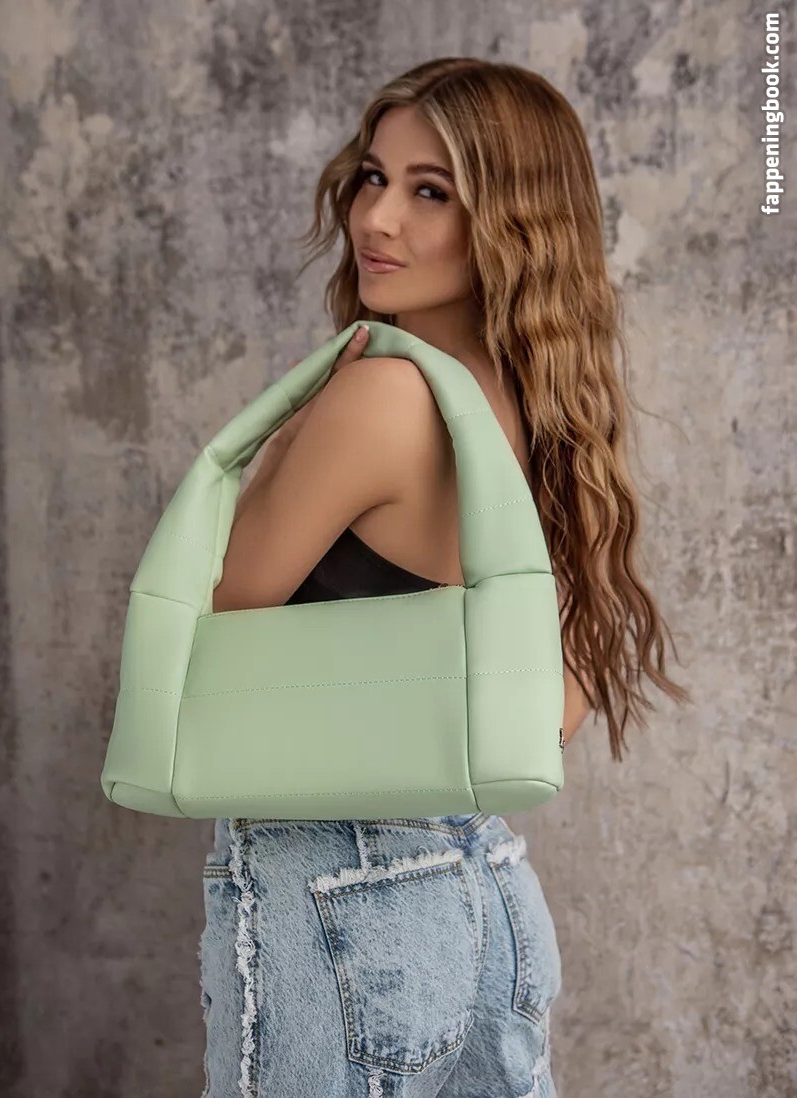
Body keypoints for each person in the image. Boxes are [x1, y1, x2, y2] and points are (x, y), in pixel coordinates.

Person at [199, 58, 690, 1098]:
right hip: (487, 897)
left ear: (512, 223)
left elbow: (207, 625)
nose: (376, 219)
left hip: (337, 893)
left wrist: (288, 442)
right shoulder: (546, 418)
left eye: (431, 192)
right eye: (373, 178)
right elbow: (551, 714)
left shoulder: (380, 397)